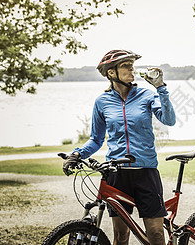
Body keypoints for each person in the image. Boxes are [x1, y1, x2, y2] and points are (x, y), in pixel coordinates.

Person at [62, 49, 176, 245]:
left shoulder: (146, 96)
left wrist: (161, 88)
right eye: (125, 65)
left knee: (156, 234)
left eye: (132, 65)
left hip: (146, 172)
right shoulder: (102, 102)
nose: (131, 69)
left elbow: (169, 119)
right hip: (116, 174)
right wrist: (76, 154)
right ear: (111, 73)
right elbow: (96, 140)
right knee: (120, 237)